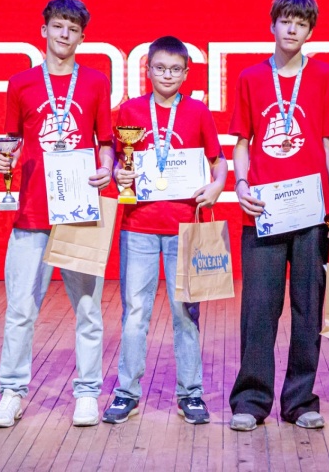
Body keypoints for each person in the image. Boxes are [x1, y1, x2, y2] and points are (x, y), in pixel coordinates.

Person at [0, 0, 115, 428]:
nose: (64, 34)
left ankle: (87, 393)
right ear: (44, 30)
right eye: (58, 26)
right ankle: (12, 392)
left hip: (79, 212)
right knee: (21, 309)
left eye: (73, 29)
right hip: (31, 213)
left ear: (82, 37)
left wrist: (106, 167)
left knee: (88, 310)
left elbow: (105, 142)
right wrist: (4, 162)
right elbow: (10, 142)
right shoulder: (20, 83)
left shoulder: (95, 82)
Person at [228, 0, 329, 431]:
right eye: (286, 21)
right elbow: (242, 142)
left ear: (310, 31)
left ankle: (300, 401)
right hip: (263, 211)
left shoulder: (324, 76)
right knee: (259, 308)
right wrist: (240, 184)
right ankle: (251, 401)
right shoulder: (250, 78)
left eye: (301, 23)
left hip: (311, 214)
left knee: (307, 307)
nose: (293, 29)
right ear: (272, 25)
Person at [103, 36, 227, 425]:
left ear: (186, 73)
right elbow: (117, 160)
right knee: (135, 312)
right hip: (138, 225)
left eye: (175, 69)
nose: (167, 75)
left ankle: (191, 393)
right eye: (160, 68)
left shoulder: (198, 111)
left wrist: (218, 185)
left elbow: (219, 161)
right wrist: (119, 174)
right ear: (148, 70)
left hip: (184, 228)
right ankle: (126, 392)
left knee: (185, 312)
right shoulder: (130, 110)